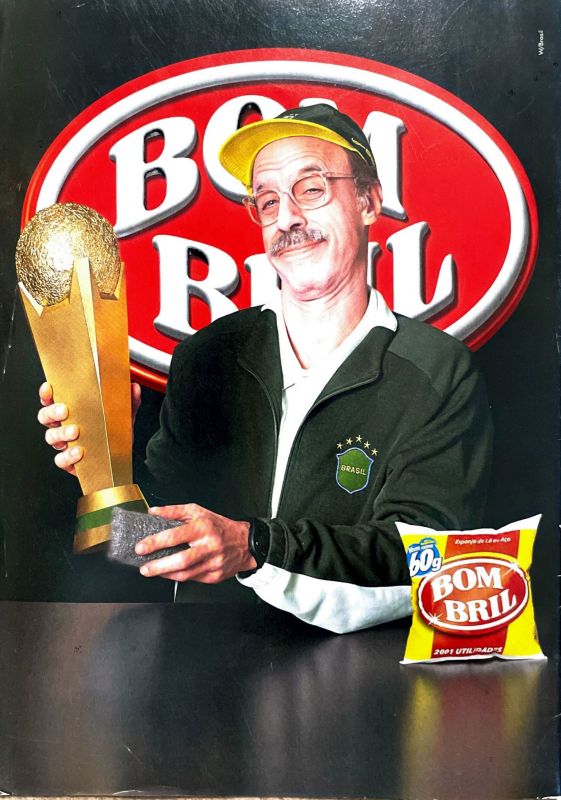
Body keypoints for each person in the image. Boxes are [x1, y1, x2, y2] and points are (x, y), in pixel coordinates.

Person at [38, 104, 493, 633]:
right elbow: (141, 548)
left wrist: (254, 547)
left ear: (369, 201)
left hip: (361, 674)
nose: (288, 218)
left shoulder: (437, 373)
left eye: (312, 189)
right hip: (206, 670)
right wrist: (105, 469)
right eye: (269, 200)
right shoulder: (207, 357)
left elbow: (428, 562)